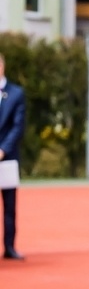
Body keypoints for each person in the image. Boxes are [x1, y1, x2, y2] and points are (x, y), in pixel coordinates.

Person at [0, 53, 23, 261]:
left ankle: (9, 246)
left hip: (6, 159)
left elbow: (17, 127)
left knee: (9, 206)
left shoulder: (16, 94)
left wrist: (3, 150)